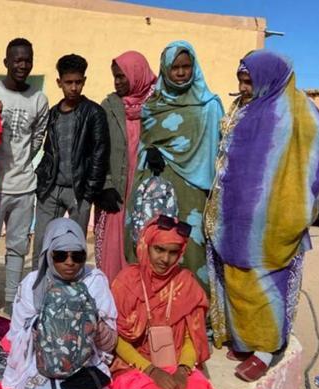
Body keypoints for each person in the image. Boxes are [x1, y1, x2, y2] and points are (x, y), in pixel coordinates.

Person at [204, 50, 319, 381]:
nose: (243, 88)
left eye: (249, 81)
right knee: (237, 278)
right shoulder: (243, 109)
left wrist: (291, 214)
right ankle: (245, 339)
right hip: (235, 214)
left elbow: (312, 160)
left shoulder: (300, 113)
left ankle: (267, 349)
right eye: (241, 81)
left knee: (265, 282)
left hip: (273, 220)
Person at [111, 216, 225, 389]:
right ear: (145, 247)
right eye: (159, 250)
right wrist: (151, 371)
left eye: (173, 252)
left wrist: (185, 370)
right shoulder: (126, 282)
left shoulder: (186, 283)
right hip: (135, 367)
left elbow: (191, 334)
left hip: (179, 366)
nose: (165, 258)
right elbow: (115, 337)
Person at [3, 218, 117, 389]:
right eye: (60, 255)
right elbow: (16, 336)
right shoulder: (33, 285)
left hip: (86, 371)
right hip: (40, 372)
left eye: (77, 255)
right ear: (48, 254)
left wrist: (96, 329)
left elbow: (111, 342)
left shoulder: (95, 282)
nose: (69, 262)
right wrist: (46, 331)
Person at [125, 41, 223, 289]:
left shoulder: (209, 106)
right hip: (162, 190)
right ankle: (160, 314)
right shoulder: (152, 107)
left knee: (193, 249)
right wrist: (151, 152)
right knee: (160, 249)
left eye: (186, 66)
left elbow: (218, 152)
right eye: (175, 67)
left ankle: (196, 315)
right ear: (165, 69)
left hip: (195, 193)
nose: (180, 72)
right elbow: (145, 148)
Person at [0, 38, 49, 320]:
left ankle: (11, 302)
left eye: (27, 60)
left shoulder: (39, 99)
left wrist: (22, 164)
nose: (22, 65)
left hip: (24, 186)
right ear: (5, 62)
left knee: (18, 248)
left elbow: (37, 138)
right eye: (17, 60)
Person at [32, 54, 110, 271]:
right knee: (42, 244)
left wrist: (89, 191)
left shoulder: (94, 113)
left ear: (84, 81)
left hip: (79, 190)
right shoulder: (53, 115)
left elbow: (99, 153)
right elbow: (48, 151)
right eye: (69, 82)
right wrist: (41, 182)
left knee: (73, 248)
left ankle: (70, 295)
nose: (74, 87)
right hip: (50, 189)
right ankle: (37, 294)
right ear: (59, 83)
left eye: (78, 82)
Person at [95, 51, 156, 283]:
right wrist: (106, 185)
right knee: (113, 248)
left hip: (145, 193)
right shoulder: (109, 106)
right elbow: (98, 150)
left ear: (137, 74)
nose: (118, 82)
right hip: (116, 192)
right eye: (115, 77)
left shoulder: (158, 106)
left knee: (143, 247)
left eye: (122, 76)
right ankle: (114, 305)